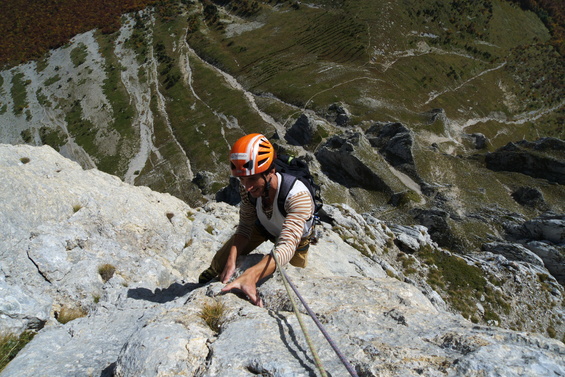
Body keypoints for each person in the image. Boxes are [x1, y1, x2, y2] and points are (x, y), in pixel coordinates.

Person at [198, 133, 315, 307]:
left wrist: (251, 275)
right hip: (262, 227)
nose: (247, 186)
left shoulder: (298, 196)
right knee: (220, 262)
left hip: (297, 240)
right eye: (242, 179)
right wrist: (230, 260)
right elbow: (245, 224)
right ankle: (214, 267)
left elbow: (287, 244)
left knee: (294, 275)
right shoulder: (248, 188)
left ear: (270, 172)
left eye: (252, 178)